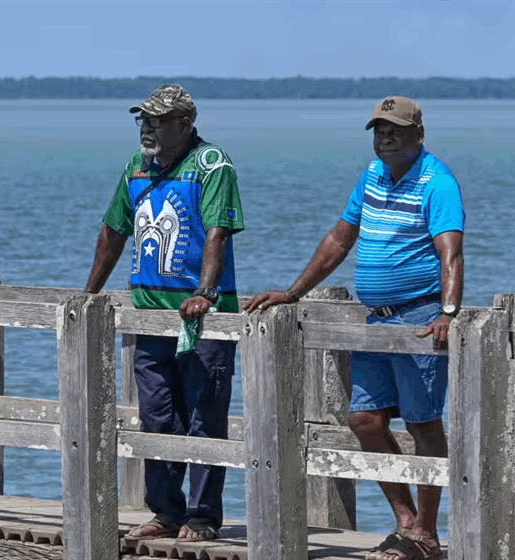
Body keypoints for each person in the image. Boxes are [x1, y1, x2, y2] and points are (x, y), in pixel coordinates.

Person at [244, 95, 464, 560]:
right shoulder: (372, 176)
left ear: (418, 135)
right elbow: (341, 237)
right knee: (363, 420)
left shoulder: (437, 182)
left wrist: (448, 311)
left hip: (419, 318)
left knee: (424, 423)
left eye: (395, 132)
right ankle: (406, 522)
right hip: (375, 320)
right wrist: (293, 291)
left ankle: (426, 534)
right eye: (379, 132)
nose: (384, 140)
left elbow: (451, 252)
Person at [85, 84, 244, 543]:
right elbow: (114, 231)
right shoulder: (136, 167)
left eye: (157, 119)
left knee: (204, 417)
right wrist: (89, 294)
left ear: (186, 123)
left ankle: (202, 516)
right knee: (155, 416)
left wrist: (206, 292)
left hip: (201, 319)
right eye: (143, 120)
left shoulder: (212, 165)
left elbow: (218, 231)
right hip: (149, 317)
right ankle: (166, 511)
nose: (148, 127)